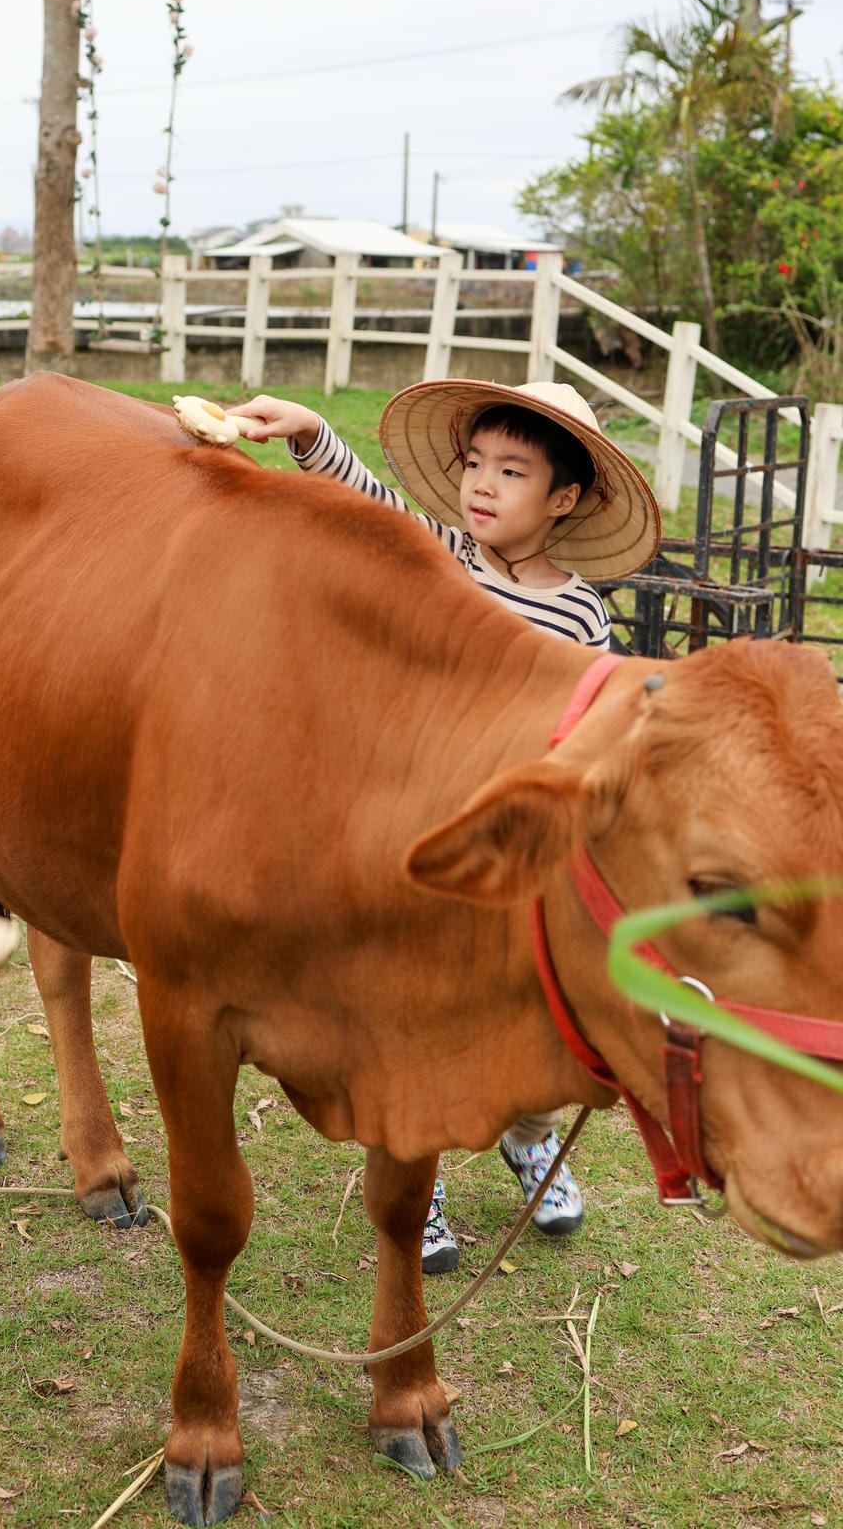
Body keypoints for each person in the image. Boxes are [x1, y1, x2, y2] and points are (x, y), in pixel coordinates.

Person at [229, 378, 661, 1275]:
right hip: (418, 822)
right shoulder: (441, 556)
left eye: (512, 470)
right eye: (474, 464)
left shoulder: (581, 613)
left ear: (565, 499)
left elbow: (585, 724)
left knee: (535, 1005)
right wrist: (312, 435)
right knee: (410, 1007)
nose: (483, 485)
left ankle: (531, 1135)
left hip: (510, 841)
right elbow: (369, 504)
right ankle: (413, 1188)